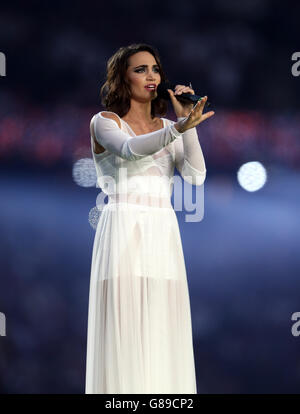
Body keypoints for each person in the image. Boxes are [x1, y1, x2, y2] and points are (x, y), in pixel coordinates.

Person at [85, 43, 215, 394]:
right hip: (123, 227)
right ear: (121, 78)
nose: (151, 76)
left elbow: (196, 176)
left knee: (161, 329)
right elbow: (128, 149)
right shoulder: (104, 122)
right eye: (140, 69)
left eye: (155, 69)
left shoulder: (170, 126)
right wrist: (178, 129)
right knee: (125, 333)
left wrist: (190, 125)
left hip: (162, 230)